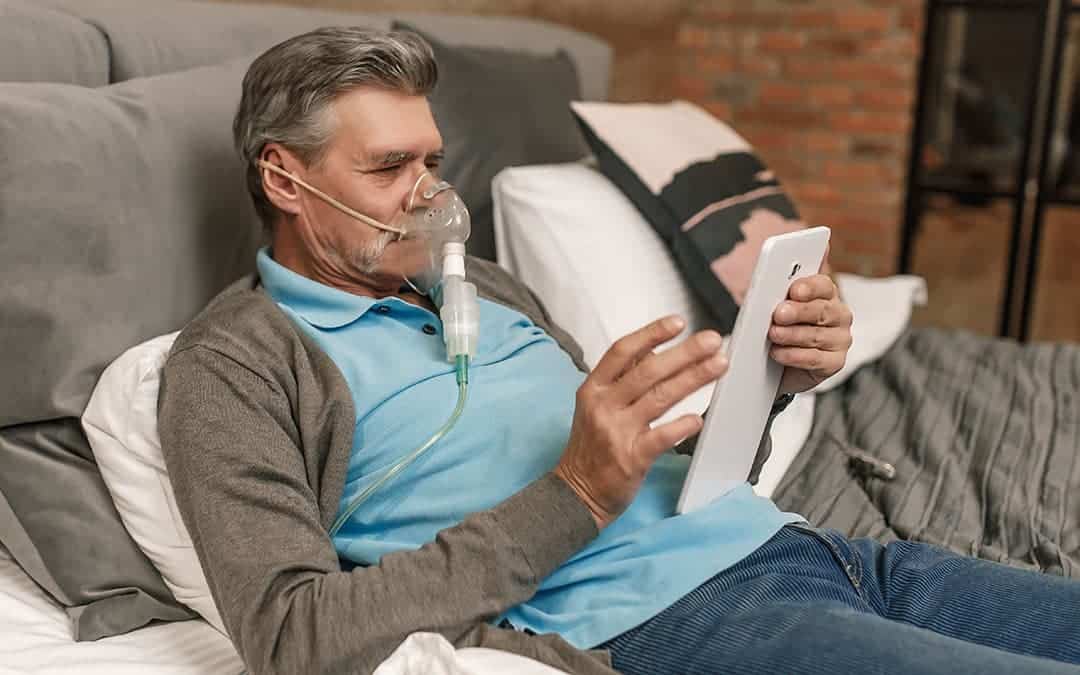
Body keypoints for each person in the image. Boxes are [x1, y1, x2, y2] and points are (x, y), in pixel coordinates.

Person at [157, 27, 1080, 675]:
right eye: (388, 168)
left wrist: (771, 388)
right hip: (686, 623)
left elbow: (648, 462)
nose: (428, 194)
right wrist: (579, 492)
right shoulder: (235, 366)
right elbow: (289, 639)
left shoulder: (483, 288)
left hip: (821, 550)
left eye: (431, 162)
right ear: (284, 176)